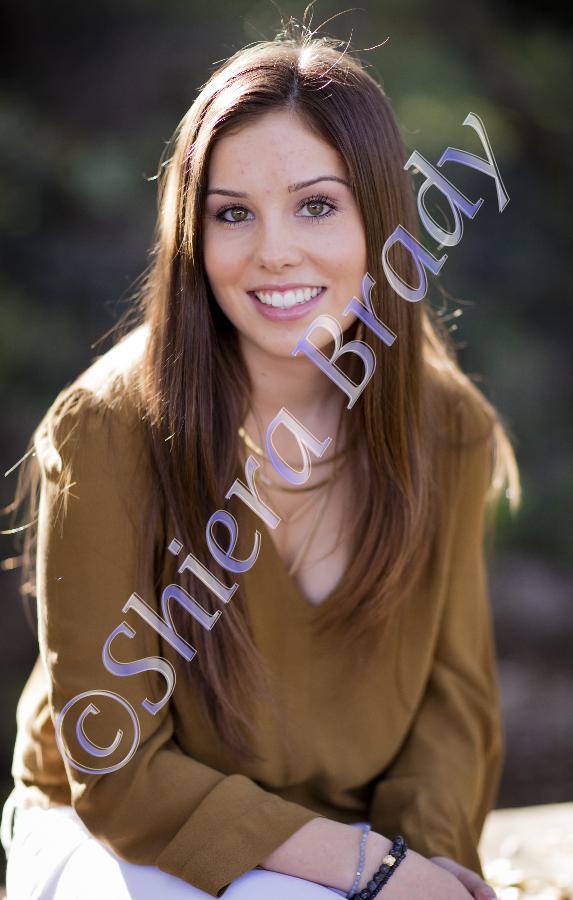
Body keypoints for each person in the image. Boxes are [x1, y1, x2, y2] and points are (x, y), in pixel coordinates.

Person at [0, 14, 520, 900]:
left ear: (379, 219)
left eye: (316, 205)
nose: (274, 251)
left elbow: (452, 713)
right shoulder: (107, 428)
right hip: (113, 834)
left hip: (350, 839)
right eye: (232, 214)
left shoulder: (448, 429)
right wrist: (372, 869)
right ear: (192, 238)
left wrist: (426, 864)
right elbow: (117, 776)